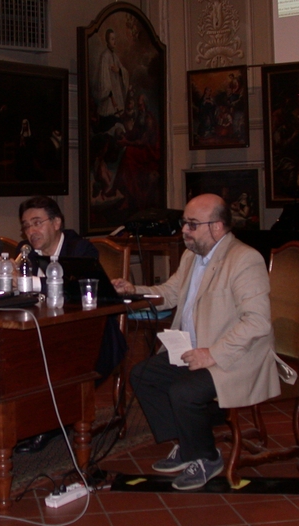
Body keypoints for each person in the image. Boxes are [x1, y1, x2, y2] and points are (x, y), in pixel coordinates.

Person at [111, 193, 280, 490]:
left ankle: (206, 456)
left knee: (183, 392)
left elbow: (258, 322)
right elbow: (171, 293)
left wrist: (212, 353)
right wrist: (135, 289)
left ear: (217, 226)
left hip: (235, 357)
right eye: (184, 223)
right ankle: (189, 445)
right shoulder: (193, 256)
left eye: (191, 224)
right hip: (193, 350)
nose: (184, 230)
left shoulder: (244, 259)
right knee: (143, 376)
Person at [13, 196, 127, 454]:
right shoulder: (25, 253)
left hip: (93, 334)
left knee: (54, 361)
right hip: (44, 330)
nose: (31, 231)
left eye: (37, 223)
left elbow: (78, 292)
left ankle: (47, 426)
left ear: (56, 223)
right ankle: (31, 421)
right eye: (26, 225)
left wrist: (30, 284)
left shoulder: (81, 249)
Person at [94, 28, 130, 133]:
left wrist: (119, 71)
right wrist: (111, 96)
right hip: (110, 100)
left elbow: (124, 72)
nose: (114, 42)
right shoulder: (104, 57)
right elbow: (103, 80)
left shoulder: (115, 56)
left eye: (115, 39)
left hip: (116, 97)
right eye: (112, 39)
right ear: (107, 41)